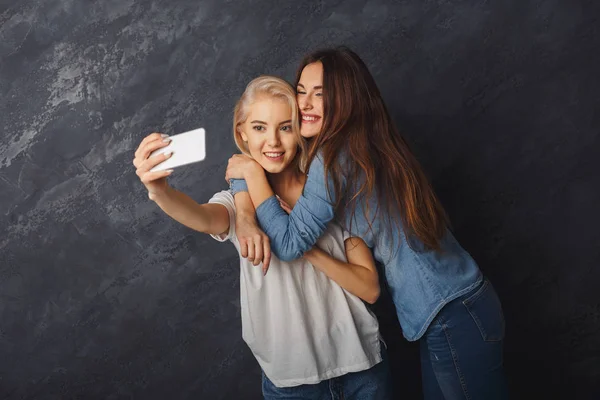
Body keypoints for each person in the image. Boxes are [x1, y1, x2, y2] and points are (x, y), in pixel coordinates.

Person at [226, 48, 509, 399]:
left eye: (322, 93)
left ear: (345, 99)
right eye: (301, 90)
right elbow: (258, 158)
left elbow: (286, 241)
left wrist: (250, 173)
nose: (307, 104)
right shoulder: (354, 144)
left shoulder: (332, 160)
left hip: (451, 311)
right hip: (456, 305)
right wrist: (243, 192)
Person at [132, 75, 392, 399]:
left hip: (362, 369)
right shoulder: (240, 206)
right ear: (241, 133)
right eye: (259, 128)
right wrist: (159, 191)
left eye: (285, 127)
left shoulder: (327, 190)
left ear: (301, 129)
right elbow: (201, 218)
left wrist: (301, 246)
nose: (273, 141)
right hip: (293, 385)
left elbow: (369, 288)